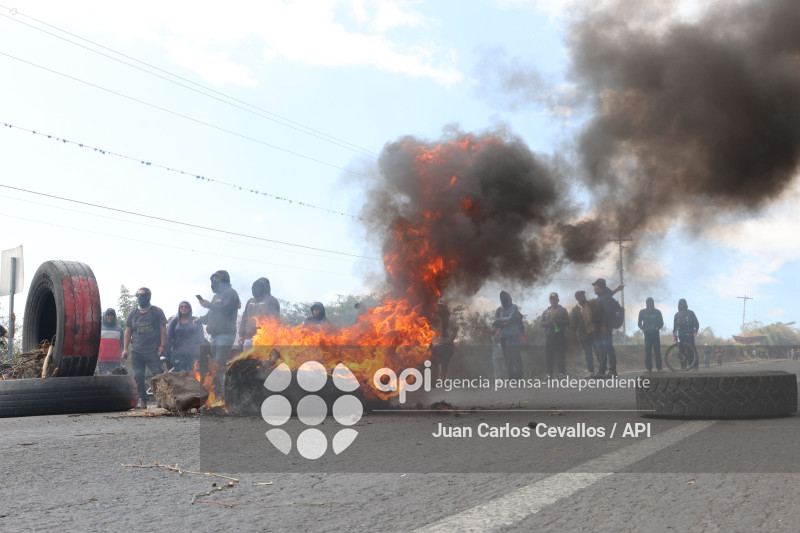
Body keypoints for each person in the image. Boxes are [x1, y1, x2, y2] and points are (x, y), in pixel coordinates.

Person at [122, 288, 167, 409]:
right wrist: (125, 348)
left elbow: (163, 329)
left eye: (142, 295)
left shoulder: (157, 311)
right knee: (138, 375)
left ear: (148, 296)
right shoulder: (133, 313)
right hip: (137, 350)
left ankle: (161, 399)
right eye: (138, 295)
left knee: (158, 374)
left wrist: (162, 346)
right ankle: (142, 400)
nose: (140, 297)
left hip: (153, 350)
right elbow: (128, 332)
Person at [195, 270, 240, 367]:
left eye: (217, 278)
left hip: (225, 335)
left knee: (219, 364)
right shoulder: (216, 296)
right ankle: (220, 382)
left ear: (224, 279)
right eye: (213, 278)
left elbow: (226, 311)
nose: (214, 280)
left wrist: (209, 305)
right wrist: (200, 320)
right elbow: (211, 313)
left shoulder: (231, 293)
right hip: (214, 336)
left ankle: (222, 382)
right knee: (217, 364)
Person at [591, 278, 622, 378]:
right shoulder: (600, 297)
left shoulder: (606, 297)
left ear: (599, 286)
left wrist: (604, 325)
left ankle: (613, 370)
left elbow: (607, 312)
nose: (594, 288)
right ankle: (601, 371)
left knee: (608, 348)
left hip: (604, 328)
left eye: (595, 286)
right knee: (601, 349)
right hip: (597, 329)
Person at [239, 277, 280, 349]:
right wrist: (241, 335)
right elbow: (244, 318)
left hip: (263, 339)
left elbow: (273, 321)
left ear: (266, 287)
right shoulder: (250, 301)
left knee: (260, 360)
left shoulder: (271, 300)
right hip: (248, 339)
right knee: (247, 360)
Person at [165, 301, 206, 372]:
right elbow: (169, 339)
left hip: (193, 352)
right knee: (179, 375)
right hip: (178, 353)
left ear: (189, 308)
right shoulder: (174, 322)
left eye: (186, 306)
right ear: (179, 308)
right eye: (182, 306)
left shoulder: (195, 320)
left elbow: (201, 337)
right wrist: (167, 354)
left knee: (194, 374)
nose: (184, 308)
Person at [492, 291, 524, 379]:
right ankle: (511, 377)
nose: (503, 300)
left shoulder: (514, 307)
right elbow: (495, 324)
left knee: (516, 355)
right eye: (502, 298)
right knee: (506, 357)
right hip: (504, 336)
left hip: (514, 335)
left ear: (509, 298)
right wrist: (504, 323)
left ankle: (519, 377)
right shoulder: (498, 310)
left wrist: (499, 320)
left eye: (505, 298)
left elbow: (511, 318)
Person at [540, 292, 569, 378]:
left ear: (558, 300)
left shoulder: (563, 310)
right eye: (551, 299)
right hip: (549, 336)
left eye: (555, 299)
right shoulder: (546, 311)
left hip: (560, 335)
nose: (553, 300)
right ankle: (549, 373)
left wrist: (557, 320)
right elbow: (541, 323)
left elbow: (567, 322)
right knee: (549, 355)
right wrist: (546, 323)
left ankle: (562, 373)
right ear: (550, 300)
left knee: (561, 354)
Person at [570, 290, 596, 376]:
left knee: (598, 351)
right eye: (580, 296)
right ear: (577, 298)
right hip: (584, 335)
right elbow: (573, 325)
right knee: (588, 353)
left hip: (595, 333)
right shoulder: (575, 310)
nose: (583, 297)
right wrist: (575, 336)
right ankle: (591, 371)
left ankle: (602, 370)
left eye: (583, 295)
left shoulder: (591, 304)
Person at [430, 304, 458, 381]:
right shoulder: (433, 318)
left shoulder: (451, 319)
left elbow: (455, 331)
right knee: (435, 364)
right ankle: (434, 382)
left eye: (442, 308)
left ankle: (442, 381)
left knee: (444, 365)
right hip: (436, 345)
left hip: (447, 346)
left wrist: (450, 340)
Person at [637, 297, 664, 372]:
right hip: (647, 335)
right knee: (648, 352)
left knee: (657, 352)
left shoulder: (657, 312)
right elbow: (639, 323)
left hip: (655, 334)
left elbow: (661, 323)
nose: (649, 304)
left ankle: (659, 368)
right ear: (646, 303)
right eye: (648, 302)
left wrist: (657, 328)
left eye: (650, 302)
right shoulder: (642, 312)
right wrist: (643, 329)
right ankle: (648, 368)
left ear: (653, 303)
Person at [673, 298, 699, 369]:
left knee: (691, 350)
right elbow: (675, 326)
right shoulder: (677, 315)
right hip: (680, 335)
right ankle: (683, 366)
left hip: (689, 334)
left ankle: (694, 365)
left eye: (683, 303)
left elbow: (696, 323)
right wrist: (674, 335)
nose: (682, 305)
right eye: (681, 303)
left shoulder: (691, 313)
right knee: (681, 351)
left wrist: (695, 330)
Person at [98, 308, 124, 375]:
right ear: (105, 316)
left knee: (116, 380)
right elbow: (94, 344)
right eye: (108, 315)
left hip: (116, 360)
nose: (110, 317)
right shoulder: (99, 328)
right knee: (104, 380)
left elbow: (123, 344)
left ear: (114, 317)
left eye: (112, 315)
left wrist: (123, 356)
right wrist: (96, 357)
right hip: (102, 360)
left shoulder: (119, 329)